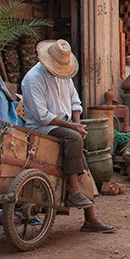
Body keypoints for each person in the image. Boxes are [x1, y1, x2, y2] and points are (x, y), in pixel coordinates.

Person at [21, 39, 115, 233]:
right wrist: (72, 127)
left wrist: (78, 122)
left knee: (80, 149)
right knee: (74, 138)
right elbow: (42, 116)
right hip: (42, 128)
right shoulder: (33, 79)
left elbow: (75, 102)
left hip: (65, 126)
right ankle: (74, 190)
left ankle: (90, 217)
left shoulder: (64, 74)